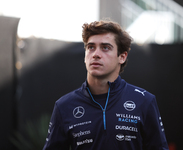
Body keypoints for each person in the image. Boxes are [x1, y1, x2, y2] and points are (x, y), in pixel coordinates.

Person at [43, 20, 169, 150]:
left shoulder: (144, 101)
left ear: (122, 57)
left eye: (105, 48)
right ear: (85, 56)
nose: (96, 54)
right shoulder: (64, 106)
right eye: (91, 47)